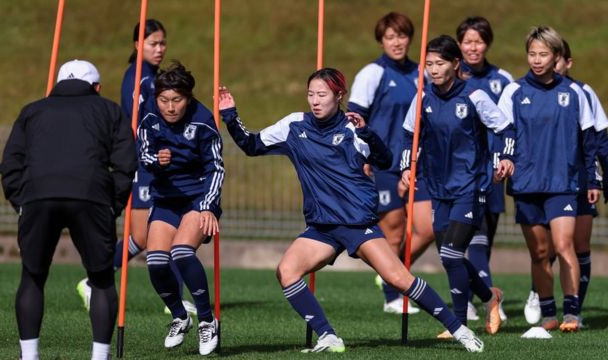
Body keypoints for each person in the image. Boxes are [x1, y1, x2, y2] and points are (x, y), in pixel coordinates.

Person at [219, 67, 484, 353]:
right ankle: (328, 336)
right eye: (311, 94)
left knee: (399, 279)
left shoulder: (351, 129)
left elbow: (384, 160)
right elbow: (251, 145)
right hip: (322, 227)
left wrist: (367, 133)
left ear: (339, 96)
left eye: (322, 94)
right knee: (287, 270)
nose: (315, 101)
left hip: (359, 224)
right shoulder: (294, 125)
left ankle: (459, 330)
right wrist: (230, 115)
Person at [0, 60, 137, 360]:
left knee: (32, 276)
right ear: (97, 88)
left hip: (38, 196)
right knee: (100, 278)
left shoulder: (32, 111)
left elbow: (10, 164)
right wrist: (111, 204)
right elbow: (127, 162)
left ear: (56, 85)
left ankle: (29, 356)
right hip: (91, 195)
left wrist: (21, 201)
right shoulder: (110, 110)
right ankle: (99, 356)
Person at [75, 19, 196, 316]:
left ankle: (94, 280)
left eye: (162, 43)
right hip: (144, 161)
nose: (159, 49)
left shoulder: (149, 75)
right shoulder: (141, 78)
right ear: (137, 44)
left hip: (150, 160)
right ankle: (97, 281)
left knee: (148, 235)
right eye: (153, 43)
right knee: (160, 230)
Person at [400, 35, 512, 338]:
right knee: (452, 257)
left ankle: (458, 323)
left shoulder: (474, 96)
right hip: (438, 186)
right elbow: (409, 134)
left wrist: (505, 158)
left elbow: (504, 128)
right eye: (429, 64)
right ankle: (491, 298)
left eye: (439, 63)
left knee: (450, 254)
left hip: (471, 184)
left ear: (455, 63)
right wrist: (406, 166)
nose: (433, 70)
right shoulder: (422, 96)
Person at [497, 26, 599, 332]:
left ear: (556, 57)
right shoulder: (514, 92)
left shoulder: (574, 92)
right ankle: (548, 313)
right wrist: (504, 159)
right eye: (532, 53)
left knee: (564, 244)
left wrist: (592, 180)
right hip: (527, 184)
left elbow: (589, 140)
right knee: (539, 253)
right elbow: (504, 134)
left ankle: (571, 314)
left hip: (563, 184)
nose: (537, 59)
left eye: (543, 54)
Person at [523, 38, 608, 327]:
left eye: (549, 56)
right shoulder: (522, 91)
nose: (542, 61)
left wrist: (602, 178)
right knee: (544, 250)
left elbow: (597, 139)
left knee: (574, 245)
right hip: (538, 181)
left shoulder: (581, 92)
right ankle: (540, 296)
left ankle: (574, 309)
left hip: (575, 180)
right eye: (534, 54)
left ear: (564, 60)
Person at [138, 62, 223, 355]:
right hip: (165, 198)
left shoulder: (203, 120)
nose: (170, 107)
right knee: (156, 261)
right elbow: (142, 153)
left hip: (197, 198)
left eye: (177, 100)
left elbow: (216, 167)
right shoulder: (149, 113)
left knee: (182, 251)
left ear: (188, 98)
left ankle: (207, 321)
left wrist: (209, 206)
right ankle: (179, 315)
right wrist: (155, 160)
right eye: (164, 100)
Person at [347, 12, 427, 314]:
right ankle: (394, 294)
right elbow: (355, 118)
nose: (397, 42)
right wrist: (363, 155)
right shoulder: (372, 73)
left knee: (426, 228)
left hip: (416, 163)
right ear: (382, 40)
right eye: (390, 36)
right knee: (393, 228)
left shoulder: (422, 72)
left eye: (402, 36)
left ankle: (391, 272)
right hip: (384, 163)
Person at [455, 16, 512, 322]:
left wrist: (505, 157)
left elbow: (507, 126)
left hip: (492, 171)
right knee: (466, 237)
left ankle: (478, 295)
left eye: (478, 41)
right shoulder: (449, 76)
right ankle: (484, 298)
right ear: (459, 44)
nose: (473, 47)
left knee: (484, 238)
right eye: (467, 42)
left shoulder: (502, 79)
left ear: (487, 43)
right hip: (461, 171)